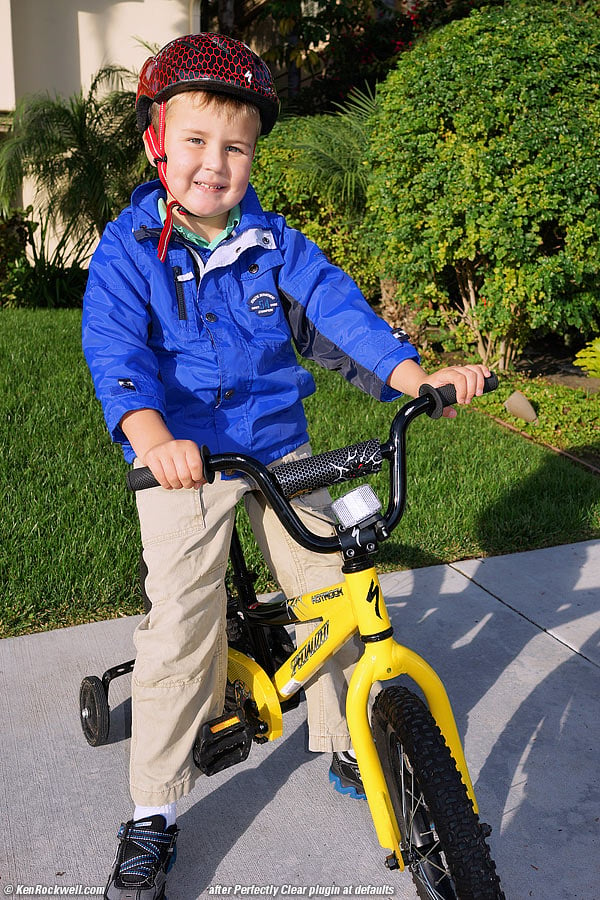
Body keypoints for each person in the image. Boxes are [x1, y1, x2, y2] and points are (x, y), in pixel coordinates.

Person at [82, 32, 490, 899]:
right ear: (158, 141)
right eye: (195, 141)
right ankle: (151, 810)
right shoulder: (127, 252)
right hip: (184, 461)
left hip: (277, 444)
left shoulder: (274, 244)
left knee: (332, 584)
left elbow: (341, 315)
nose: (213, 164)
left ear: (253, 156)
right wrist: (153, 436)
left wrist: (416, 376)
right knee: (183, 627)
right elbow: (116, 350)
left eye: (235, 147)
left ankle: (349, 745)